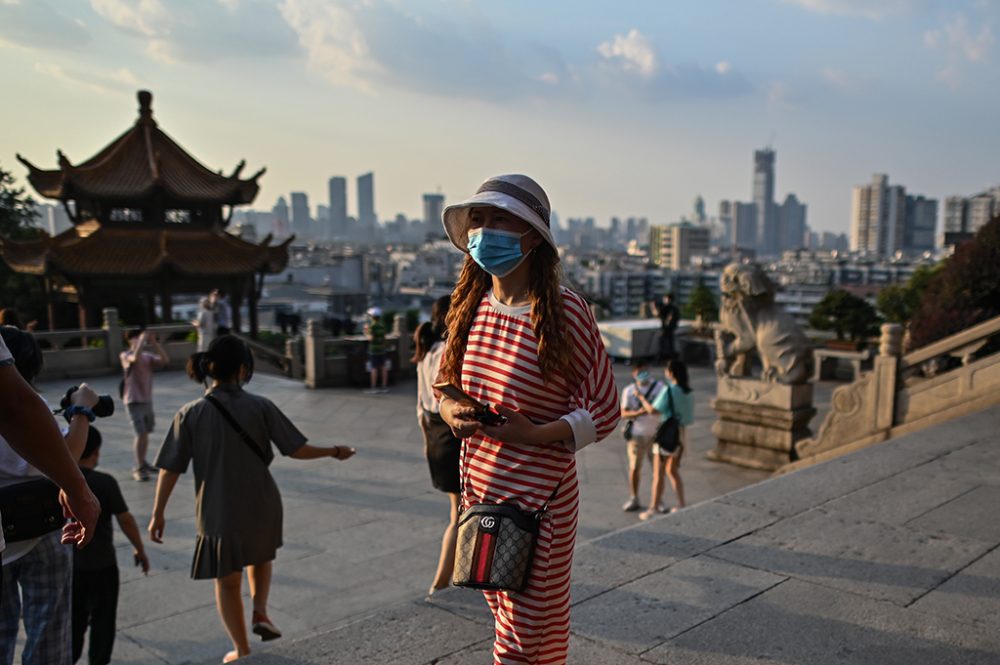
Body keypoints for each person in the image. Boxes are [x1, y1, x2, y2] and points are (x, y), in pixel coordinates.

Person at [438, 174, 619, 664]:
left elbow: (604, 407)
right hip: (482, 491)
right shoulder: (471, 306)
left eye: (501, 219)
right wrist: (455, 411)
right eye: (479, 219)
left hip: (542, 503)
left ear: (533, 235)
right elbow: (446, 387)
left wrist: (535, 433)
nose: (485, 230)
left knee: (524, 633)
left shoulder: (565, 311)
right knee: (515, 622)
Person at [148, 335, 356, 663]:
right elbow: (296, 449)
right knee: (261, 556)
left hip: (217, 510)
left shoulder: (190, 413)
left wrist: (158, 513)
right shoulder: (260, 406)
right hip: (262, 501)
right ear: (243, 369)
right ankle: (260, 611)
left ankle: (241, 649)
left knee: (227, 582)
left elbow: (170, 469)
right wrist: (335, 451)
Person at [0, 325, 99, 665]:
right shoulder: (30, 406)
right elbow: (69, 453)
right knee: (49, 631)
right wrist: (83, 410)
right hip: (42, 530)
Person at [72, 427, 150, 665]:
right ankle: (98, 660)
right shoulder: (104, 482)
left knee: (73, 621)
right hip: (102, 565)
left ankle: (68, 656)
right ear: (96, 452)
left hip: (71, 567)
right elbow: (125, 519)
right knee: (103, 620)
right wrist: (139, 548)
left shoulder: (59, 482)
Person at [412, 295, 460, 598]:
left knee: (458, 511)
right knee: (460, 514)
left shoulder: (427, 352)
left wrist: (425, 445)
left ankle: (455, 574)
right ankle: (440, 582)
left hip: (432, 437)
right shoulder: (447, 352)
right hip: (450, 437)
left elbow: (420, 408)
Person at [636, 359, 695, 521]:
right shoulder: (688, 392)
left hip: (667, 435)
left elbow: (653, 410)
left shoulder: (670, 391)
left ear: (671, 373)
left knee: (658, 473)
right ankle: (681, 503)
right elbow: (690, 418)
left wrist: (641, 399)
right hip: (681, 435)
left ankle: (653, 507)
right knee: (672, 470)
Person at [120, 328, 169, 481]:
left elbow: (165, 360)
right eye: (134, 337)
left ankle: (143, 463)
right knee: (140, 433)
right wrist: (141, 340)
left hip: (146, 400)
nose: (138, 339)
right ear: (129, 340)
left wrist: (154, 343)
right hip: (133, 400)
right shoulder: (125, 355)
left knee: (145, 433)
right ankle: (138, 467)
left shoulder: (147, 357)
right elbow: (134, 358)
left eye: (139, 337)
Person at [618, 361, 666, 512]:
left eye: (645, 370)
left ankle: (658, 500)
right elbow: (623, 413)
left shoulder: (659, 387)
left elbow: (661, 409)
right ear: (634, 374)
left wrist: (647, 408)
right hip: (636, 435)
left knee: (658, 470)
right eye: (639, 371)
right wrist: (638, 413)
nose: (643, 373)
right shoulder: (629, 390)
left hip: (656, 434)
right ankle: (634, 497)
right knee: (634, 468)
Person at [364, 306, 389, 394]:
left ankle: (374, 387)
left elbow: (371, 338)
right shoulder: (382, 325)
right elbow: (384, 337)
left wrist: (366, 331)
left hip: (374, 349)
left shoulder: (372, 326)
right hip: (382, 349)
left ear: (372, 317)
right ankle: (384, 386)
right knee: (383, 367)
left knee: (374, 368)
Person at [654, 293, 679, 363]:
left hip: (667, 329)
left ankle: (659, 360)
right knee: (669, 346)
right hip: (669, 329)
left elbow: (659, 314)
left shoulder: (671, 308)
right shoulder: (671, 308)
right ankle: (671, 360)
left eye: (665, 299)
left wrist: (654, 307)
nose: (664, 300)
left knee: (663, 345)